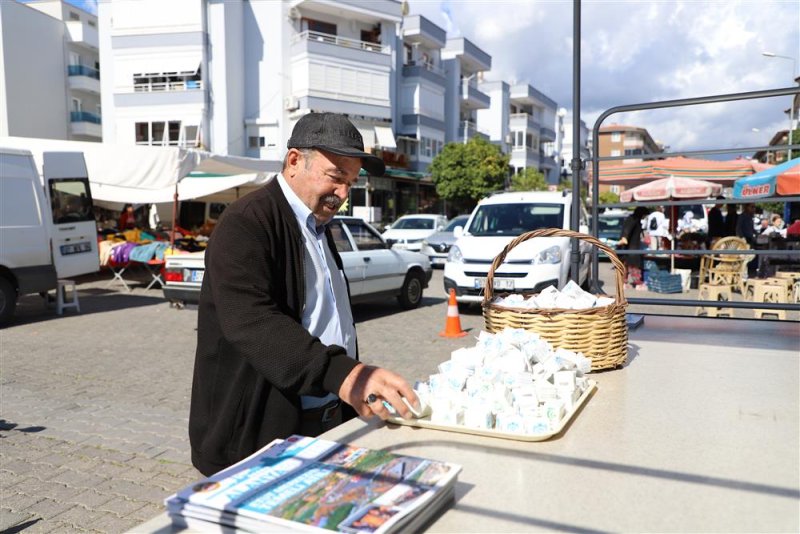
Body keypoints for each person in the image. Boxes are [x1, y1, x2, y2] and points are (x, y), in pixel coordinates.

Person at [189, 113, 418, 476]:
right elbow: (254, 322)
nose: (343, 193)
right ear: (294, 161)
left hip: (323, 422)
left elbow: (327, 315)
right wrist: (344, 374)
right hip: (258, 436)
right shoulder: (246, 222)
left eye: (351, 183)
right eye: (336, 177)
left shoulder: (319, 226)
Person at [617, 206, 650, 290]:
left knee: (625, 266)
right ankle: (638, 284)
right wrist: (624, 237)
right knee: (634, 266)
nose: (644, 217)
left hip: (627, 247)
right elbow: (627, 229)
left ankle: (624, 283)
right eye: (644, 215)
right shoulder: (633, 219)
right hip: (632, 247)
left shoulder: (633, 219)